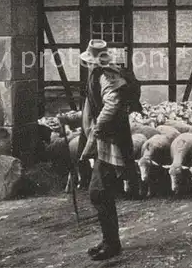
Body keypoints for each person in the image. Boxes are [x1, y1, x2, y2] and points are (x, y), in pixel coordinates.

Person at [78, 39, 134, 261]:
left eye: (90, 61)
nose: (88, 65)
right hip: (106, 139)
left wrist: (98, 128)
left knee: (99, 191)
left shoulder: (107, 76)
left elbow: (113, 103)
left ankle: (112, 243)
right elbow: (94, 105)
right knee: (102, 192)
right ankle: (109, 240)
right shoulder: (98, 75)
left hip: (111, 140)